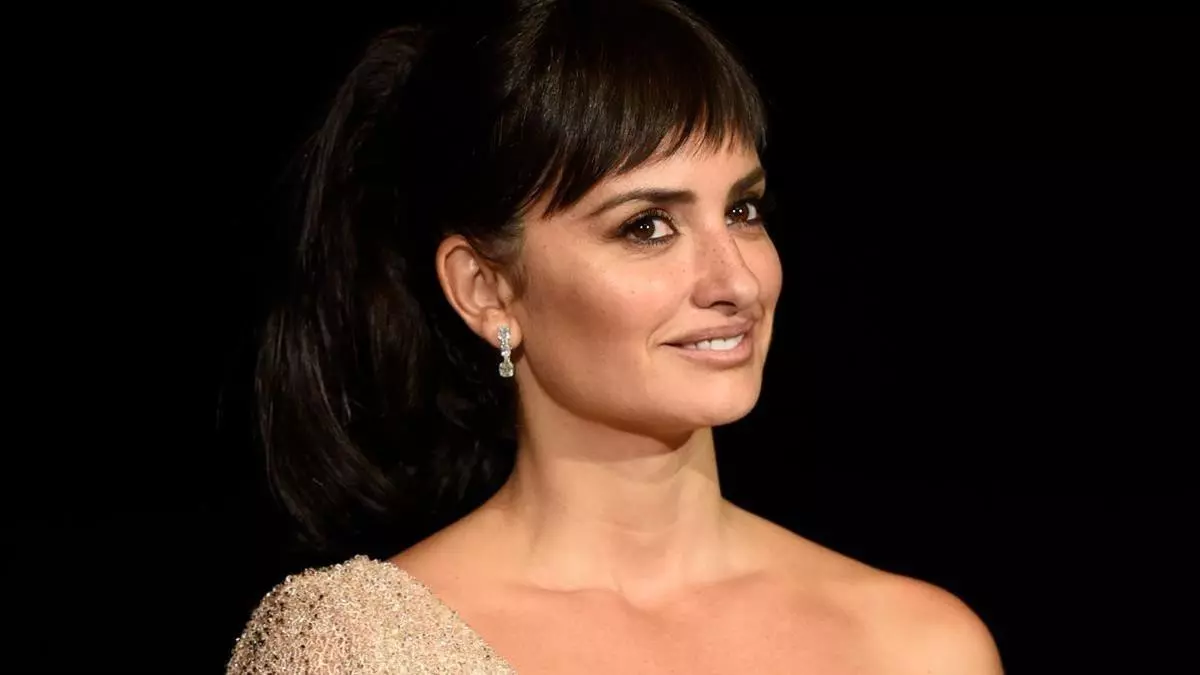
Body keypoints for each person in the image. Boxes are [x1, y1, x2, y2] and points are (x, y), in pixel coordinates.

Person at [227, 1, 1004, 672]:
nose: (736, 281)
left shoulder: (914, 645)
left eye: (742, 211)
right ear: (485, 289)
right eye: (647, 226)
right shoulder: (356, 649)